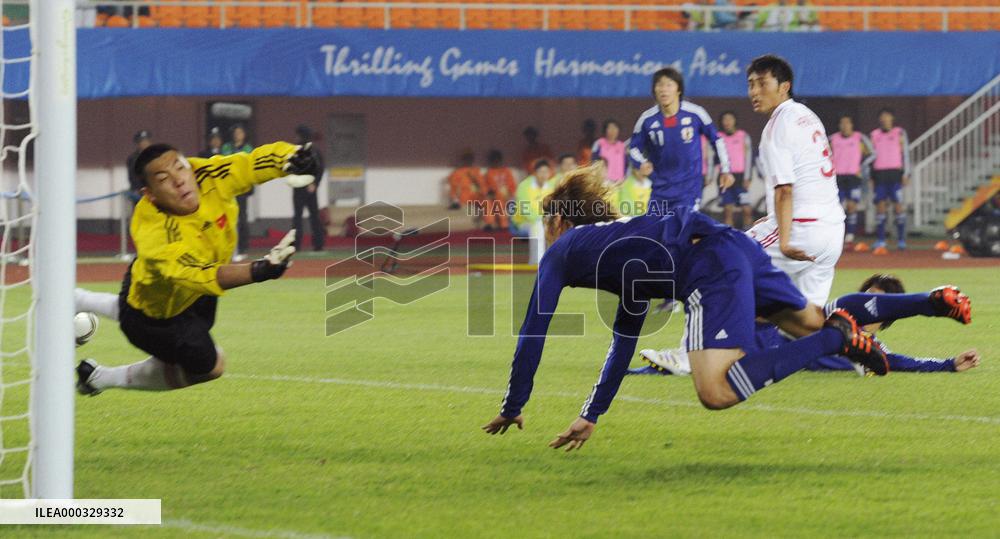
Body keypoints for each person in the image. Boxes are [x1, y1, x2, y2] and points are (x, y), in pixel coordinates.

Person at [481, 167, 971, 451]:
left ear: (561, 220)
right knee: (808, 320)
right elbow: (622, 342)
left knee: (715, 389)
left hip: (706, 263)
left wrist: (513, 405)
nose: (544, 236)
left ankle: (840, 340)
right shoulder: (619, 249)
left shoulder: (565, 251)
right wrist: (592, 414)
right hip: (733, 244)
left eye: (546, 225)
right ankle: (928, 302)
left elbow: (532, 333)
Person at [74, 141, 317, 395]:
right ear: (150, 194)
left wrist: (291, 157)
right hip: (156, 320)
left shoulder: (208, 175)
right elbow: (199, 274)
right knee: (211, 366)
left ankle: (79, 300)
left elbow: (251, 164)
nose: (179, 180)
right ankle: (99, 378)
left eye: (180, 168)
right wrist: (259, 270)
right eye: (164, 179)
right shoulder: (155, 232)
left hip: (185, 294)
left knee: (192, 340)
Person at [635, 274, 980, 377]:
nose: (872, 300)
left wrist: (949, 365)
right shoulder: (840, 314)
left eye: (878, 300)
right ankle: (928, 302)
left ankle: (681, 355)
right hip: (767, 337)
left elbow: (902, 362)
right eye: (871, 294)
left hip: (764, 349)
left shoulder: (873, 352)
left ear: (885, 320)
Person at [746, 54, 844, 307]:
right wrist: (772, 218)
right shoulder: (807, 115)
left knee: (721, 263)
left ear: (784, 86)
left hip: (800, 228)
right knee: (806, 322)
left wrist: (785, 240)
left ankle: (686, 349)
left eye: (762, 83)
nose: (754, 92)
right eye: (750, 84)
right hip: (832, 231)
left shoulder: (777, 125)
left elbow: (785, 190)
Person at [628, 67, 734, 215]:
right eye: (659, 85)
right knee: (654, 233)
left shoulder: (696, 113)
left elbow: (717, 140)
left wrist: (726, 170)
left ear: (679, 89)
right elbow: (633, 148)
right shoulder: (647, 119)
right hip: (660, 189)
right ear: (654, 91)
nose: (663, 89)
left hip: (689, 188)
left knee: (683, 229)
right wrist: (641, 163)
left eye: (669, 84)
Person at [829, 114, 876, 245]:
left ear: (851, 125)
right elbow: (823, 154)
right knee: (836, 207)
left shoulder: (859, 138)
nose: (845, 126)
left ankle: (850, 234)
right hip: (837, 177)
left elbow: (872, 154)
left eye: (847, 123)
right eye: (842, 123)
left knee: (851, 206)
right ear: (839, 125)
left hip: (854, 176)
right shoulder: (833, 139)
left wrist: (860, 165)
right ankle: (836, 235)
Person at [870, 108, 911, 253]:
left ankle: (901, 240)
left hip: (895, 173)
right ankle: (881, 240)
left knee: (898, 207)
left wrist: (906, 173)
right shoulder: (874, 135)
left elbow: (905, 154)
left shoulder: (899, 133)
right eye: (882, 117)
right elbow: (871, 157)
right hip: (880, 174)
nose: (884, 119)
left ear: (892, 119)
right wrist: (871, 176)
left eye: (887, 117)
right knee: (880, 207)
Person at [291, 125, 327, 252]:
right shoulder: (311, 150)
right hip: (308, 187)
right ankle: (318, 245)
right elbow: (320, 169)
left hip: (302, 188)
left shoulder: (300, 150)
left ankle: (297, 245)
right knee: (313, 216)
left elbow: (319, 168)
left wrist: (314, 183)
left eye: (298, 135)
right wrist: (315, 184)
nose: (296, 137)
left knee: (300, 217)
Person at [221, 124, 255, 262]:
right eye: (236, 132)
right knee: (227, 218)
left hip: (242, 187)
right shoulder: (226, 148)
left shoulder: (248, 148)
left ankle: (242, 248)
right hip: (228, 187)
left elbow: (250, 166)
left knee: (242, 218)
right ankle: (226, 249)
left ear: (244, 134)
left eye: (240, 132)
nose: (238, 135)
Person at [716, 111, 755, 228]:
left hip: (741, 177)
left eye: (730, 119)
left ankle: (749, 236)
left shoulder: (743, 136)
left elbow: (749, 157)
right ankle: (729, 238)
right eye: (725, 119)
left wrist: (748, 177)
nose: (727, 122)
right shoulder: (718, 137)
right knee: (727, 209)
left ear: (735, 121)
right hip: (725, 177)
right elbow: (713, 157)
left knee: (746, 209)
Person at [484, 150, 518, 230]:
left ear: (500, 160)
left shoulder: (506, 171)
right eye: (493, 159)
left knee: (513, 201)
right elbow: (486, 188)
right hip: (496, 198)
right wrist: (490, 194)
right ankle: (490, 224)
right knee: (489, 201)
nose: (495, 161)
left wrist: (510, 194)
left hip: (508, 196)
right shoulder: (489, 173)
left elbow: (512, 186)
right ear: (490, 161)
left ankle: (505, 225)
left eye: (497, 159)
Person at [591, 119, 627, 184]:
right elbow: (594, 161)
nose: (613, 130)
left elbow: (626, 163)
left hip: (619, 181)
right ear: (605, 130)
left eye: (615, 128)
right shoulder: (599, 143)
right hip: (604, 181)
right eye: (610, 128)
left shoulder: (622, 145)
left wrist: (624, 177)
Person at [126, 130, 153, 204]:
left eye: (147, 141)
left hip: (153, 191)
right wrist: (137, 189)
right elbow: (132, 176)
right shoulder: (133, 158)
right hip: (139, 192)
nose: (145, 143)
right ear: (138, 144)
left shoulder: (155, 155)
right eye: (142, 141)